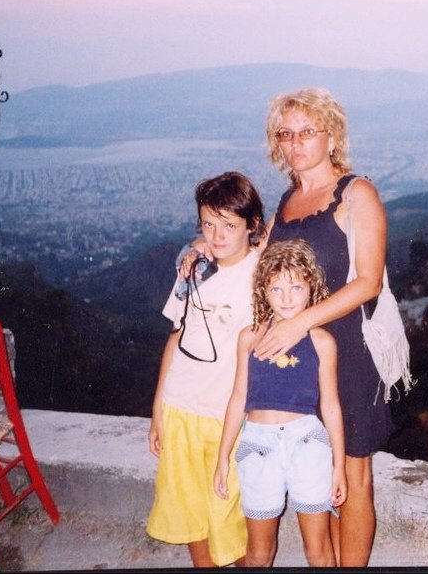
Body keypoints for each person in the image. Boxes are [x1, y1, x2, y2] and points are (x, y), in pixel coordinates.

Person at [257, 87, 393, 566]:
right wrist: (200, 247)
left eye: (307, 132)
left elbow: (368, 282)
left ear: (331, 137)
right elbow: (258, 261)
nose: (295, 143)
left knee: (352, 473)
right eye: (286, 134)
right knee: (319, 470)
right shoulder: (287, 201)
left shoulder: (356, 194)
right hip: (301, 359)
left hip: (349, 353)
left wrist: (300, 323)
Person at [146, 171, 265, 568]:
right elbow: (175, 338)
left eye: (229, 225)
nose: (217, 236)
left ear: (251, 224)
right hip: (181, 406)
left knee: (233, 517)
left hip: (230, 416)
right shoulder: (193, 271)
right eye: (208, 225)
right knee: (190, 510)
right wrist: (158, 410)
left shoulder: (263, 275)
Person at [215, 239, 346, 567]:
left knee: (318, 550)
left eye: (296, 288)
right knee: (259, 552)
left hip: (308, 444)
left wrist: (339, 466)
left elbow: (331, 406)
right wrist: (222, 457)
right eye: (276, 289)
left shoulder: (322, 341)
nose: (287, 298)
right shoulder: (250, 337)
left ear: (311, 287)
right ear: (263, 290)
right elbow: (238, 398)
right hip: (258, 446)